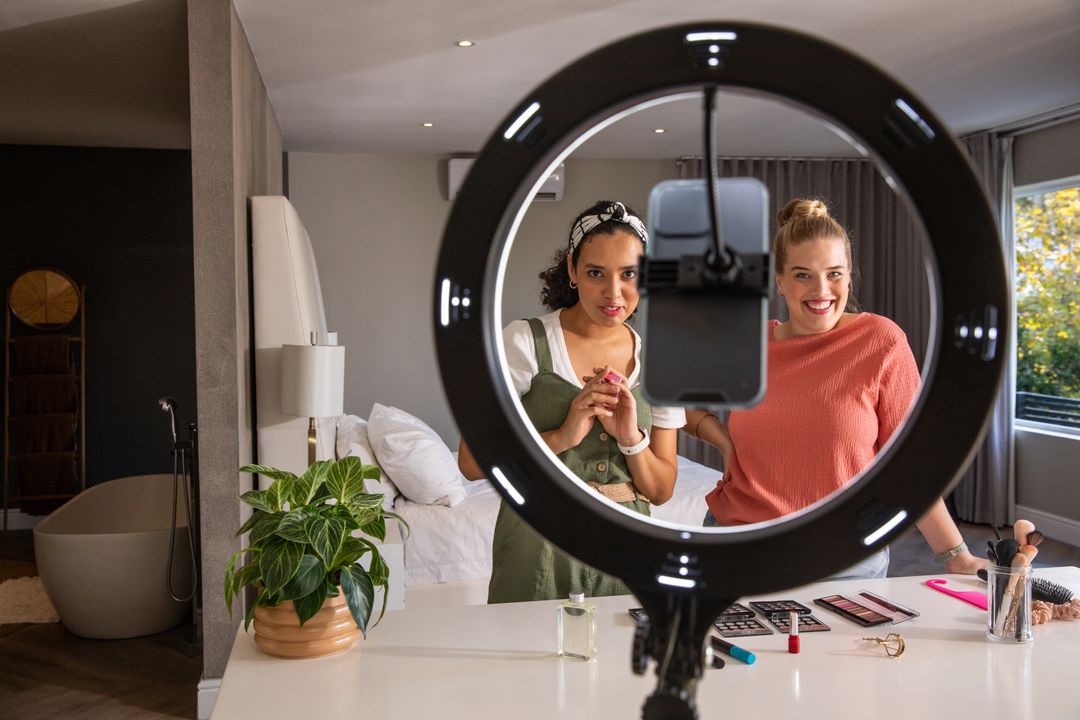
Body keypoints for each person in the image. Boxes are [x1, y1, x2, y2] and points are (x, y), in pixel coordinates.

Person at [684, 198, 985, 578]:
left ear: (849, 276)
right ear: (779, 280)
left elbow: (913, 463)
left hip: (845, 556)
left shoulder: (881, 341)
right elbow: (675, 403)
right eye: (803, 274)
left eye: (835, 273)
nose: (821, 289)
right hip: (738, 545)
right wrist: (725, 442)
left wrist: (956, 555)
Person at [458, 200, 686, 603]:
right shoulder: (523, 342)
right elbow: (472, 463)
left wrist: (631, 437)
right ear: (571, 270)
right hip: (536, 545)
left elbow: (662, 489)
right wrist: (562, 436)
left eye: (629, 274)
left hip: (627, 549)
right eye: (596, 272)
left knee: (621, 665)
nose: (613, 293)